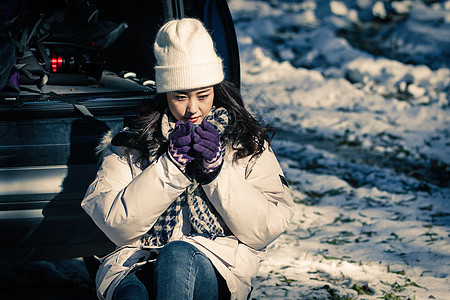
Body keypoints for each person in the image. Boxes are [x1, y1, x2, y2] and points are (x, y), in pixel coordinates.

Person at [81, 18, 294, 300]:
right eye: (180, 97)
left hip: (218, 264)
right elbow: (117, 227)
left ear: (216, 89)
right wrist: (171, 167)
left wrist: (216, 171)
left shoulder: (244, 141)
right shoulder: (130, 142)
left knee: (177, 255)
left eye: (203, 95)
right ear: (165, 94)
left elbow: (265, 229)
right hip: (135, 261)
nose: (193, 109)